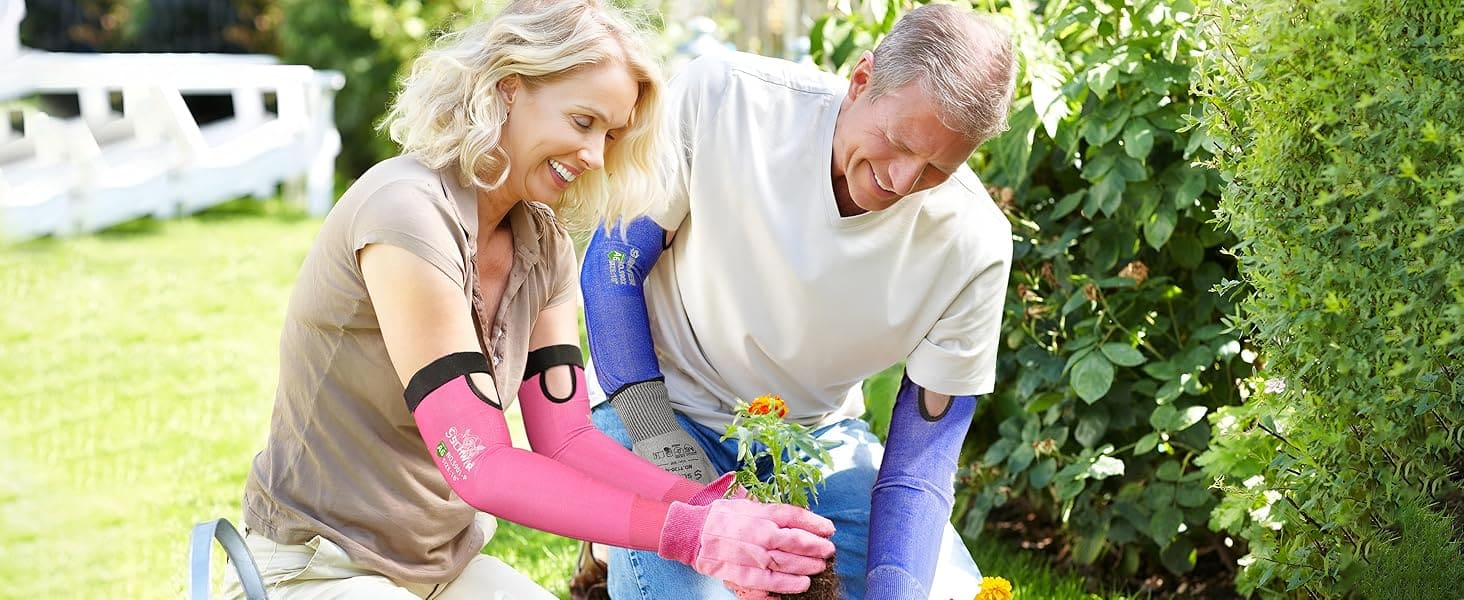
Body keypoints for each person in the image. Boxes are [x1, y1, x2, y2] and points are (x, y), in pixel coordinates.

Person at [225, 1, 836, 598]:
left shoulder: (543, 245)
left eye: (610, 134)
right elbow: (481, 464)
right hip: (316, 565)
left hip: (441, 568)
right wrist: (686, 534)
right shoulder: (406, 213)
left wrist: (709, 506)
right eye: (582, 121)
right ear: (509, 88)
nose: (595, 155)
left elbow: (567, 441)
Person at [580, 4, 1017, 600]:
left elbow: (922, 460)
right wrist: (665, 448)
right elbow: (612, 268)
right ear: (861, 79)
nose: (903, 181)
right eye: (896, 142)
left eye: (938, 168)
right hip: (664, 406)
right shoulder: (725, 99)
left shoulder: (974, 243)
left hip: (814, 440)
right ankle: (610, 544)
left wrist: (894, 589)